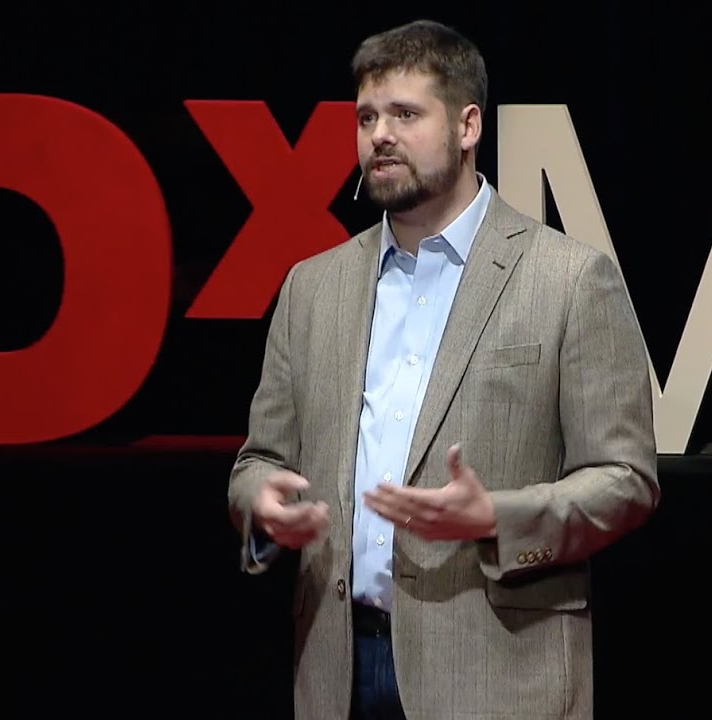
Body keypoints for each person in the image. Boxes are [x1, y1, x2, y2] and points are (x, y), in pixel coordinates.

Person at [226, 19, 660, 720]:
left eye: (405, 114)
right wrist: (262, 504)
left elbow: (626, 479)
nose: (379, 135)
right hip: (335, 670)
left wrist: (498, 517)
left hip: (494, 676)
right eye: (366, 117)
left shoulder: (568, 279)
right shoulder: (313, 287)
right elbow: (259, 460)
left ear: (467, 126)